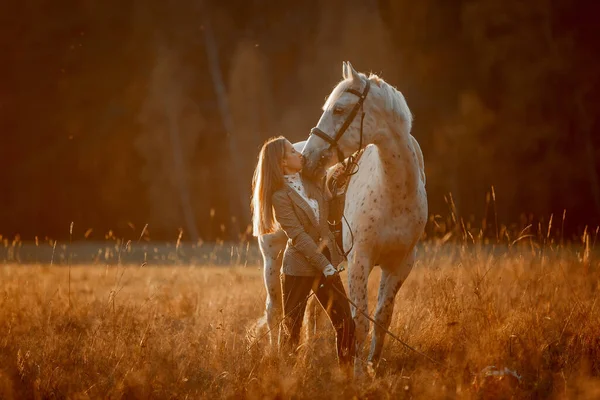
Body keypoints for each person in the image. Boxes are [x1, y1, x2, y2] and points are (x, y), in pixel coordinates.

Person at [251, 136, 355, 369]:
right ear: (281, 163)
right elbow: (297, 236)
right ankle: (289, 384)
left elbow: (328, 219)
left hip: (324, 265)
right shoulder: (279, 197)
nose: (301, 154)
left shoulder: (312, 183)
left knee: (346, 324)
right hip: (298, 270)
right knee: (292, 334)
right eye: (293, 152)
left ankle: (347, 378)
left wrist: (337, 189)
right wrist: (324, 263)